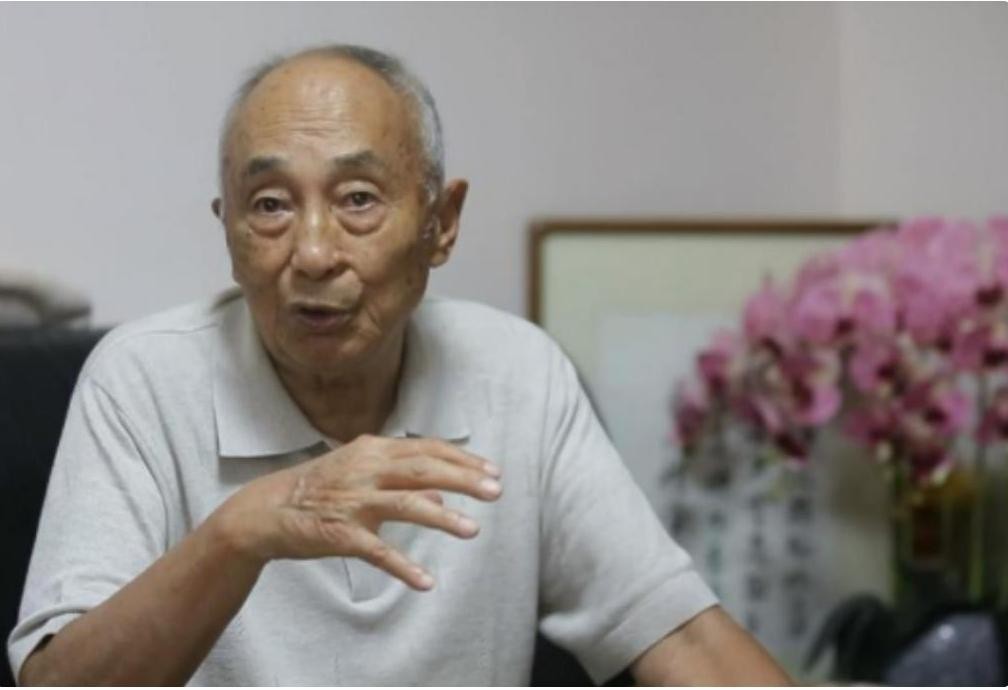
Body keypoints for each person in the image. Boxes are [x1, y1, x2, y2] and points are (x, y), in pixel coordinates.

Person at [8, 44, 791, 686]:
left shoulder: (515, 371)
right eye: (271, 205)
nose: (314, 253)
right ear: (228, 230)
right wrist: (240, 532)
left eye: (357, 199)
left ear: (441, 222)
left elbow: (683, 639)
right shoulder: (142, 380)